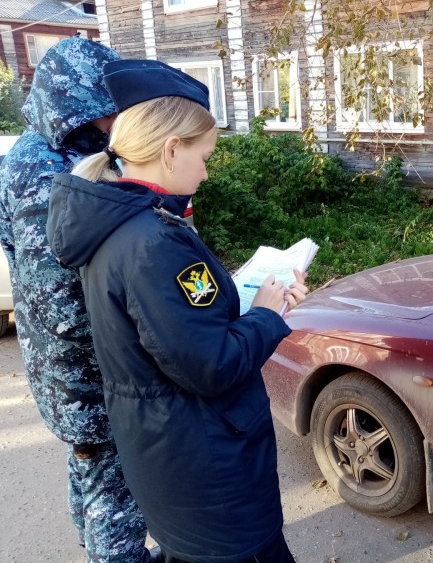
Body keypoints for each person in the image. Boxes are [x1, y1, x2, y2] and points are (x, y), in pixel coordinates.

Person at [46, 59, 308, 563]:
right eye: (204, 156)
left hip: (170, 457)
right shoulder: (153, 241)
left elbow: (171, 330)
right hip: (209, 472)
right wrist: (267, 314)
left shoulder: (117, 223)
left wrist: (235, 301)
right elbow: (210, 366)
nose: (206, 172)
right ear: (171, 150)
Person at [0, 38, 157, 562]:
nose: (115, 113)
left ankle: (91, 546)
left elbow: (10, 244)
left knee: (86, 461)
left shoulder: (19, 154)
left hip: (45, 354)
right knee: (116, 484)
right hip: (88, 356)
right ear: (77, 98)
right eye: (105, 101)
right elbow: (112, 261)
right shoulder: (79, 164)